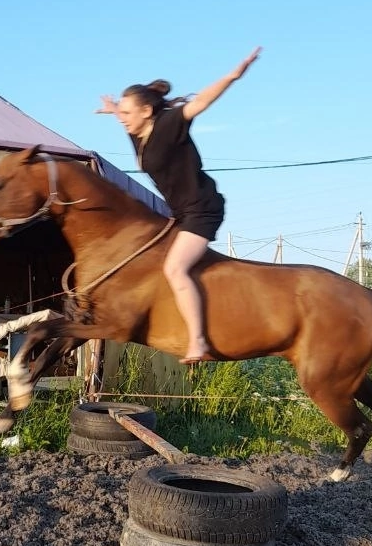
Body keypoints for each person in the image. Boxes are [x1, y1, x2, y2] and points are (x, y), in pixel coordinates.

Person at [96, 47, 262, 364]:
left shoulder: (169, 124)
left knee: (175, 268)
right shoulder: (136, 130)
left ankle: (198, 341)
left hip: (203, 209)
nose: (122, 119)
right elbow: (125, 113)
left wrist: (231, 76)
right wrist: (112, 109)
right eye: (121, 113)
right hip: (181, 213)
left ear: (147, 111)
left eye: (126, 113)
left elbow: (199, 103)